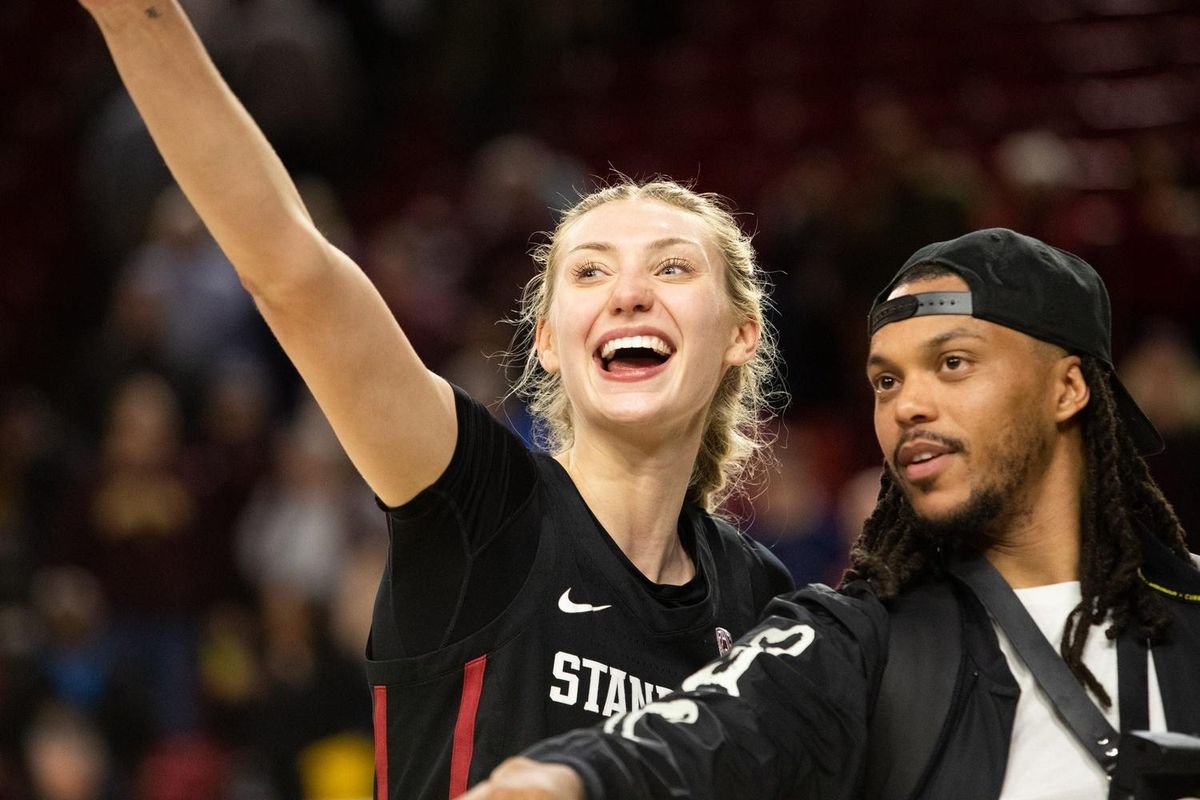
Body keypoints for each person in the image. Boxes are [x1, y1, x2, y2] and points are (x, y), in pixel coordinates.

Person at [76, 1, 795, 798]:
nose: (627, 292)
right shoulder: (480, 504)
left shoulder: (767, 611)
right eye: (589, 272)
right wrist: (139, 19)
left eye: (670, 269)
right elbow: (291, 271)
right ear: (550, 341)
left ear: (740, 334)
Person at [462, 228, 1200, 800]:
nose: (906, 404)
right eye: (885, 379)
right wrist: (567, 780)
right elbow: (706, 730)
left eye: (953, 363)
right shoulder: (858, 641)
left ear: (1068, 389)